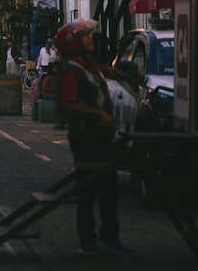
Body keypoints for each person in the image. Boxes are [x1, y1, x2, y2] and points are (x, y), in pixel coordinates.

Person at [55, 19, 135, 257]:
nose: (91, 40)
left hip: (102, 138)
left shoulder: (89, 67)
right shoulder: (72, 70)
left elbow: (107, 71)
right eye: (86, 37)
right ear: (74, 44)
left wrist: (131, 78)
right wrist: (98, 113)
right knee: (87, 190)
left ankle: (110, 236)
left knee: (109, 189)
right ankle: (88, 240)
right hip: (85, 138)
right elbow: (69, 104)